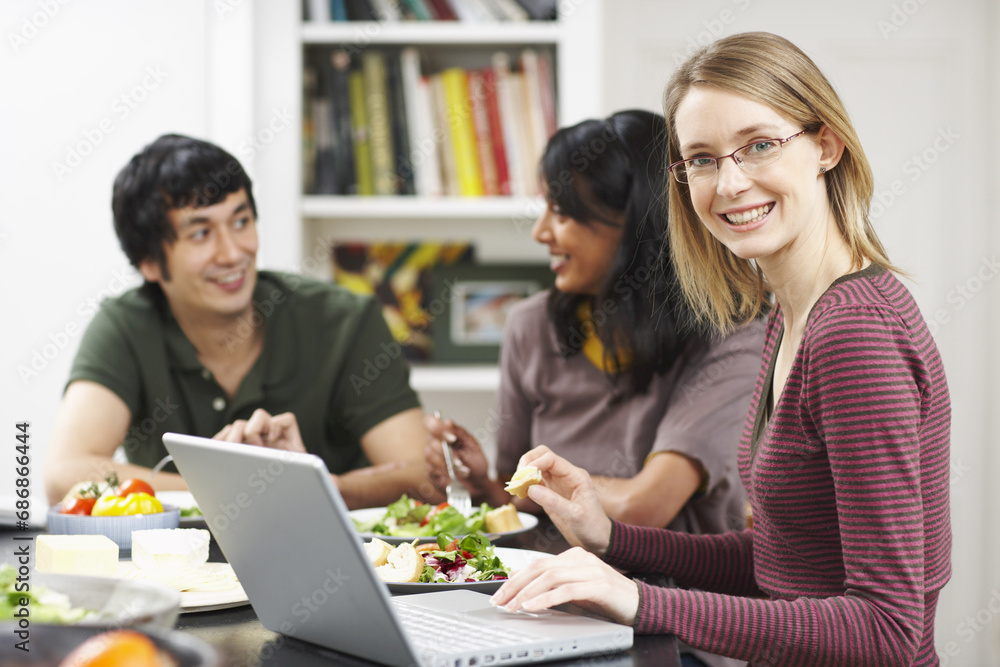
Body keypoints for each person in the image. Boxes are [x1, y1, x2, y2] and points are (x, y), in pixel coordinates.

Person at [490, 32, 951, 667]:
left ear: (826, 145)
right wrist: (610, 538)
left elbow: (887, 630)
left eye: (759, 146)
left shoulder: (854, 335)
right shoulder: (790, 317)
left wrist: (639, 602)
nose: (728, 183)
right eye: (702, 159)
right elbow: (776, 563)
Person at [44, 134, 436, 510]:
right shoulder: (125, 326)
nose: (233, 253)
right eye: (201, 233)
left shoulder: (345, 321)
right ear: (148, 261)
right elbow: (65, 474)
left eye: (241, 221)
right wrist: (230, 494)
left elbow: (425, 476)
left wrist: (325, 488)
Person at [426, 109, 764, 536]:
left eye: (561, 212)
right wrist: (481, 484)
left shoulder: (732, 336)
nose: (540, 232)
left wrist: (533, 482)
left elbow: (645, 506)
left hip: (669, 597)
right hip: (541, 587)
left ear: (634, 222)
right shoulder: (530, 326)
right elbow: (517, 506)